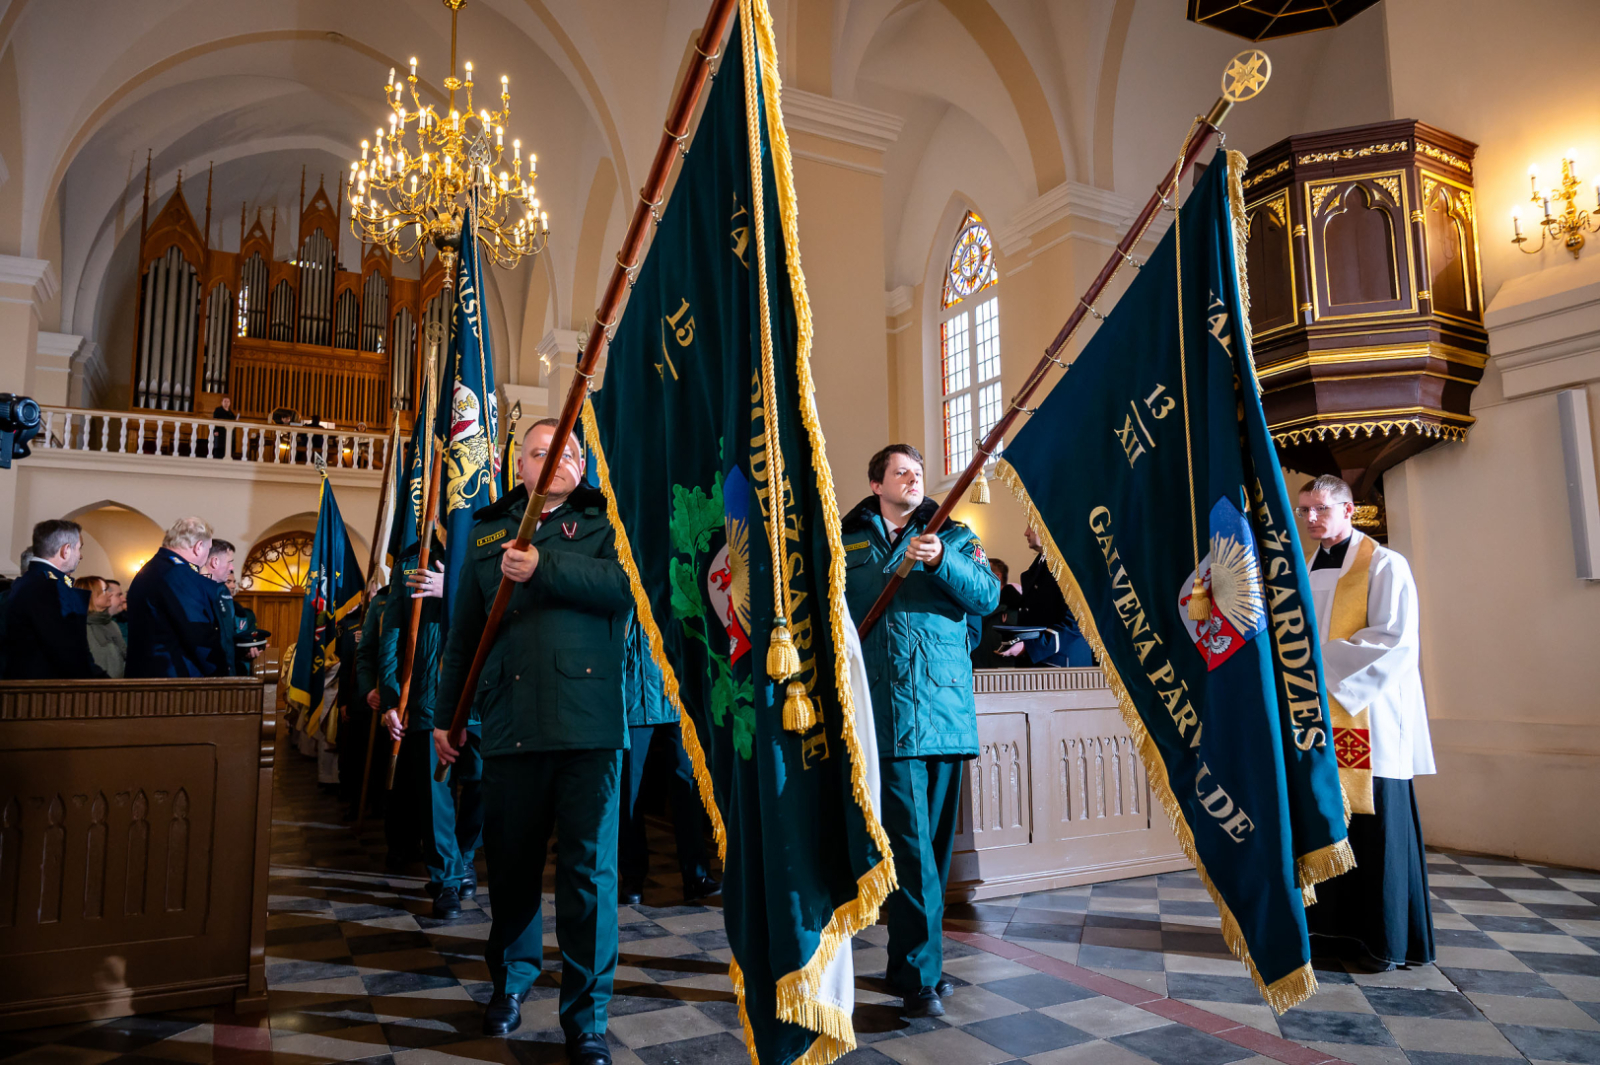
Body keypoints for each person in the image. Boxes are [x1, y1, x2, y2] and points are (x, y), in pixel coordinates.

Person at [433, 418, 632, 1062]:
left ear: (581, 464)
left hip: (588, 725)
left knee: (588, 877)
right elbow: (464, 634)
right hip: (510, 721)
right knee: (512, 866)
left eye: (564, 452)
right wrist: (447, 716)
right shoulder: (489, 530)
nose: (552, 462)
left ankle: (586, 1018)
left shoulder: (607, 521)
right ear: (518, 464)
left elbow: (624, 590)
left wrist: (545, 566)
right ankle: (511, 982)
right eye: (539, 452)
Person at [841, 444, 999, 1018]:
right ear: (877, 484)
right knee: (911, 851)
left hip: (943, 711)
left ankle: (907, 962)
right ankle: (919, 978)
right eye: (901, 472)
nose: (913, 479)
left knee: (929, 851)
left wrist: (941, 561)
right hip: (884, 715)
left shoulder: (953, 535)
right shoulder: (846, 540)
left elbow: (987, 599)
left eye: (919, 472)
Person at [1298, 474, 1436, 971]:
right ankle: (1326, 932)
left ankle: (1381, 942)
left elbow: (1393, 640)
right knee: (1325, 818)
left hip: (1370, 718)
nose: (1311, 518)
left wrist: (1310, 663)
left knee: (1375, 828)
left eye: (1321, 508)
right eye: (1305, 510)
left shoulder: (1384, 564)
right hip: (1318, 715)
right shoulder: (1302, 567)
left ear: (1349, 509)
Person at [381, 553, 483, 919]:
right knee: (435, 793)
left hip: (481, 696)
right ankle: (446, 879)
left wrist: (453, 590)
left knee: (483, 784)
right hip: (428, 696)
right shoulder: (413, 561)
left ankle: (464, 853)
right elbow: (393, 630)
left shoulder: (490, 545)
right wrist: (391, 698)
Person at [618, 616, 718, 906]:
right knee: (630, 791)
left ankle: (696, 876)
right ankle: (632, 876)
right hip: (634, 693)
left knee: (687, 784)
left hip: (677, 693)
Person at [126, 517, 233, 678]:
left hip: (146, 674)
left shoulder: (150, 569)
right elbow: (197, 634)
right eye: (208, 549)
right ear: (198, 547)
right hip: (174, 678)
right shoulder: (179, 575)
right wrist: (221, 673)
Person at [2, 520, 105, 680]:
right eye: (79, 548)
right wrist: (106, 683)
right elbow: (70, 653)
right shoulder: (51, 589)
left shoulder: (27, 582)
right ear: (65, 550)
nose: (81, 556)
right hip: (47, 688)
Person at [997, 525, 1092, 667]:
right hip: (1041, 662)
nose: (1026, 533)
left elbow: (1077, 622)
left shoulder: (1070, 564)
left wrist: (1029, 647)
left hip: (1063, 665)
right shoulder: (1041, 565)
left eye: (1031, 526)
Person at [78, 575, 128, 678]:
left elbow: (124, 655)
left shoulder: (111, 624)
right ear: (91, 595)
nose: (110, 594)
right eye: (105, 590)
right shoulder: (80, 627)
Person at [203, 540, 239, 671]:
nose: (231, 568)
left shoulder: (224, 592)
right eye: (229, 562)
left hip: (227, 670)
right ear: (215, 562)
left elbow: (229, 634)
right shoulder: (198, 590)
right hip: (207, 672)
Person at [226, 573, 264, 676]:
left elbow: (251, 640)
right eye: (228, 582)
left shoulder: (246, 614)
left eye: (234, 582)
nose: (233, 586)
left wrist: (256, 648)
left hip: (240, 670)